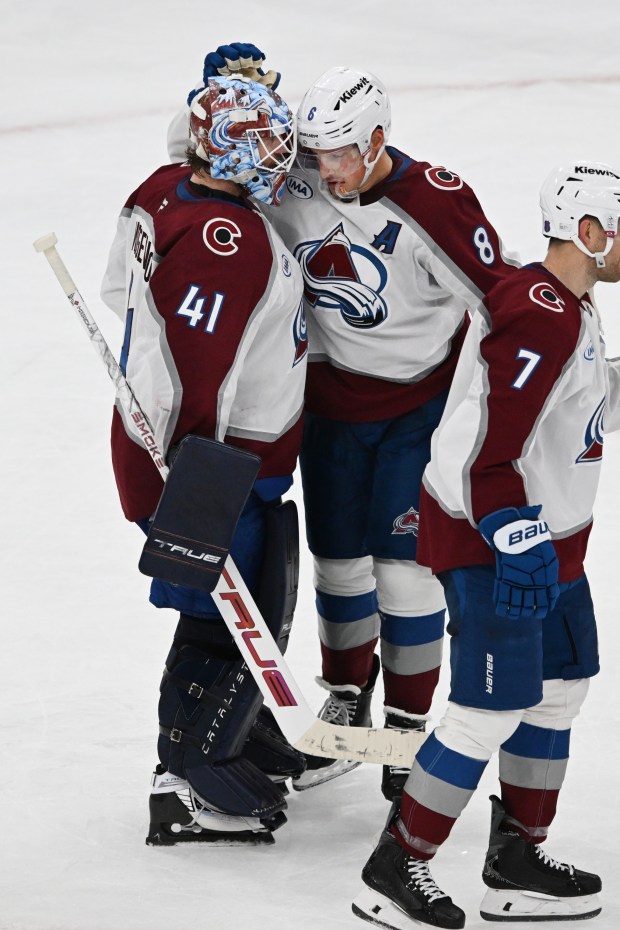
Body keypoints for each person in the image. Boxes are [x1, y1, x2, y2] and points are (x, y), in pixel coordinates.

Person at [169, 44, 519, 798]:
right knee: (336, 566)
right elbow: (199, 157)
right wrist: (216, 95)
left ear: (377, 141)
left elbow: (501, 304)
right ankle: (348, 702)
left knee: (404, 575)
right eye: (316, 152)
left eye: (340, 155)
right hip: (326, 407)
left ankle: (405, 730)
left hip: (415, 411)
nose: (324, 170)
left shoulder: (435, 201)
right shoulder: (292, 172)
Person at [352, 160, 620, 929]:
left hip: (555, 544)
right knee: (484, 710)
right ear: (592, 233)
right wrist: (512, 530)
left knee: (562, 691)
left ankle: (517, 861)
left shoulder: (573, 304)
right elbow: (480, 440)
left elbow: (576, 402)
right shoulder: (541, 314)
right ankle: (395, 866)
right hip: (496, 544)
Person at [101, 75, 310, 846]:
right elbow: (201, 374)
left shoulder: (164, 189)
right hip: (214, 466)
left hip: (195, 455)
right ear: (223, 147)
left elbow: (118, 288)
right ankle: (190, 777)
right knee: (232, 614)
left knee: (233, 606)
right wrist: (198, 491)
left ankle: (240, 729)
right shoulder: (232, 242)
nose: (280, 154)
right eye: (262, 140)